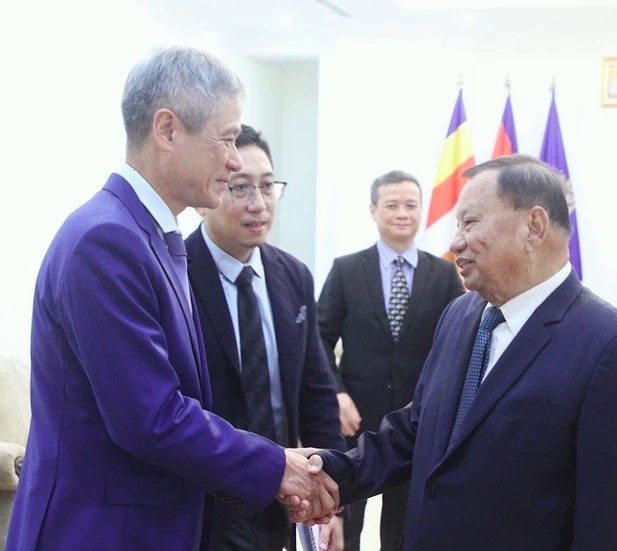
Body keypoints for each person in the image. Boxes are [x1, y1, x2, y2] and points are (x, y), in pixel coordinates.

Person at [6, 47, 337, 551]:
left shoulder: (149, 235)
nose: (232, 159)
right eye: (225, 138)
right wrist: (275, 465)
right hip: (100, 531)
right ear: (167, 130)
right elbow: (151, 418)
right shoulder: (106, 241)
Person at [314, 154, 617, 550]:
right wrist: (327, 472)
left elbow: (616, 528)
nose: (455, 242)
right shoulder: (462, 314)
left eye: (470, 222)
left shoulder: (612, 348)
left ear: (533, 227)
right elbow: (419, 429)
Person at [186, 124, 346, 551]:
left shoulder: (293, 276)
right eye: (240, 188)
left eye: (268, 186)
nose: (258, 204)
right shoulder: (175, 274)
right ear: (208, 193)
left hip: (281, 497)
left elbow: (316, 392)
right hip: (203, 501)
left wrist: (332, 499)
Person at [316, 169, 464, 551]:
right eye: (392, 205)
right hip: (355, 420)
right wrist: (337, 393)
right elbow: (317, 336)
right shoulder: (347, 270)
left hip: (418, 421)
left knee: (404, 528)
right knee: (346, 518)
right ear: (373, 210)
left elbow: (455, 344)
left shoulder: (445, 273)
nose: (402, 213)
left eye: (411, 205)